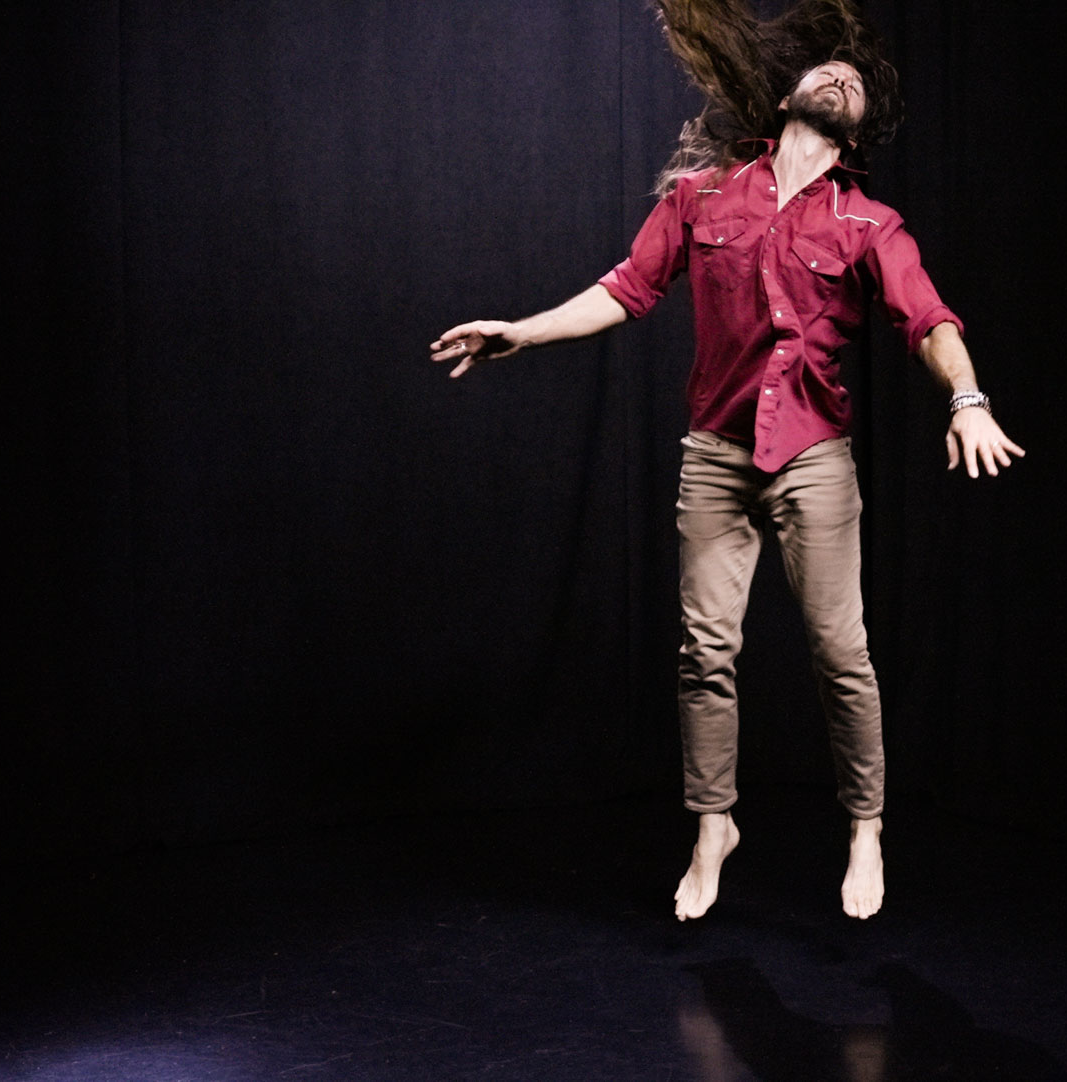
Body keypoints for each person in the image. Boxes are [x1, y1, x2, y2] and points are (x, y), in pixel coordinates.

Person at [430, 2, 1022, 921]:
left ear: (860, 128)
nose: (838, 78)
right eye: (824, 70)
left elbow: (930, 320)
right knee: (706, 650)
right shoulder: (703, 197)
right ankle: (714, 826)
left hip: (815, 461)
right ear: (782, 94)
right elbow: (625, 291)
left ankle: (865, 824)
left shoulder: (870, 225)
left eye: (854, 81)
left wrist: (968, 396)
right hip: (716, 454)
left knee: (842, 654)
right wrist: (522, 333)